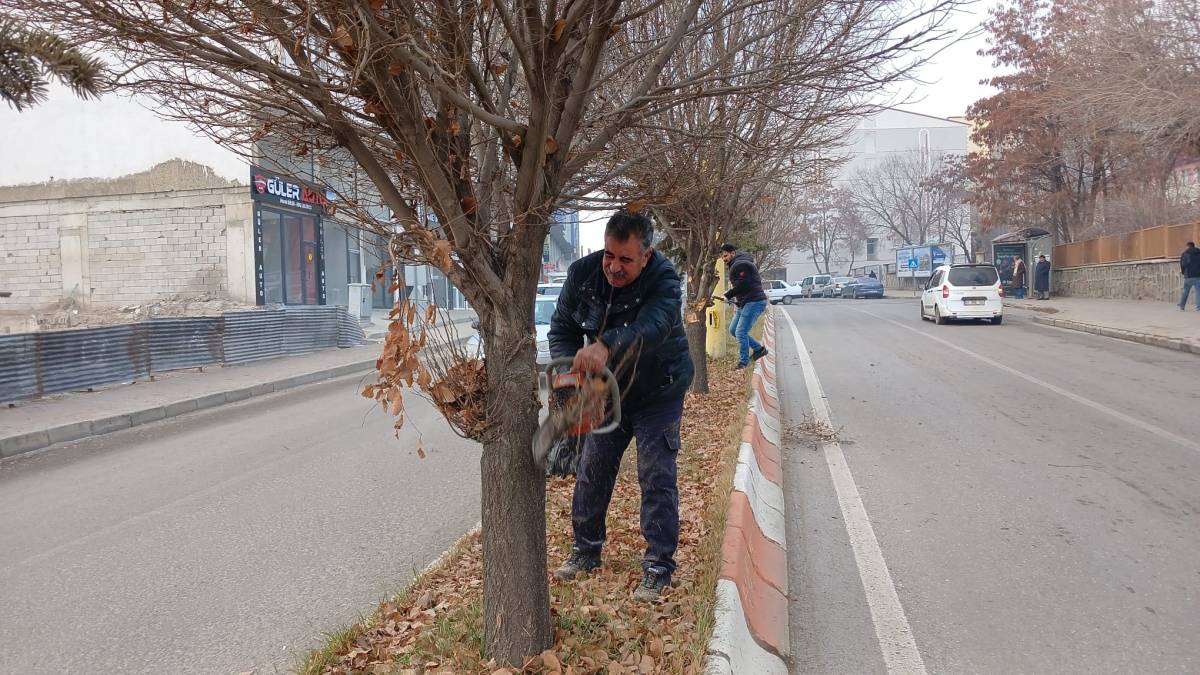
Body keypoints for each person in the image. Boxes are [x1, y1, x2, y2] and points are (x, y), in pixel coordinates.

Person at [548, 210, 694, 601]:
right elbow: (561, 327)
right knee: (593, 466)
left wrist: (606, 345)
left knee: (655, 472)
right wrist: (571, 375)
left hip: (658, 390)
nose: (614, 266)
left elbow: (655, 326)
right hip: (608, 391)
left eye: (625, 260)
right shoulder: (583, 274)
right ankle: (586, 549)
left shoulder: (664, 279)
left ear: (646, 256)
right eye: (609, 255)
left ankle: (659, 564)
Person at [719, 243, 769, 369]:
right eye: (723, 257)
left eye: (726, 256)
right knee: (733, 330)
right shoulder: (737, 264)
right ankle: (759, 349)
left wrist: (728, 295)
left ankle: (743, 363)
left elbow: (744, 284)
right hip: (746, 302)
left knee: (741, 332)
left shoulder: (740, 264)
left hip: (754, 301)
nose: (724, 259)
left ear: (733, 253)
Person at [1180, 241, 1200, 311]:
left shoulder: (1185, 253)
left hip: (1188, 275)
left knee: (1185, 291)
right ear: (1194, 246)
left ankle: (1182, 306)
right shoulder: (1199, 252)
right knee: (1198, 291)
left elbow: (1183, 265)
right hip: (1198, 275)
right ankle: (1198, 307)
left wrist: (1183, 272)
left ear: (1188, 246)